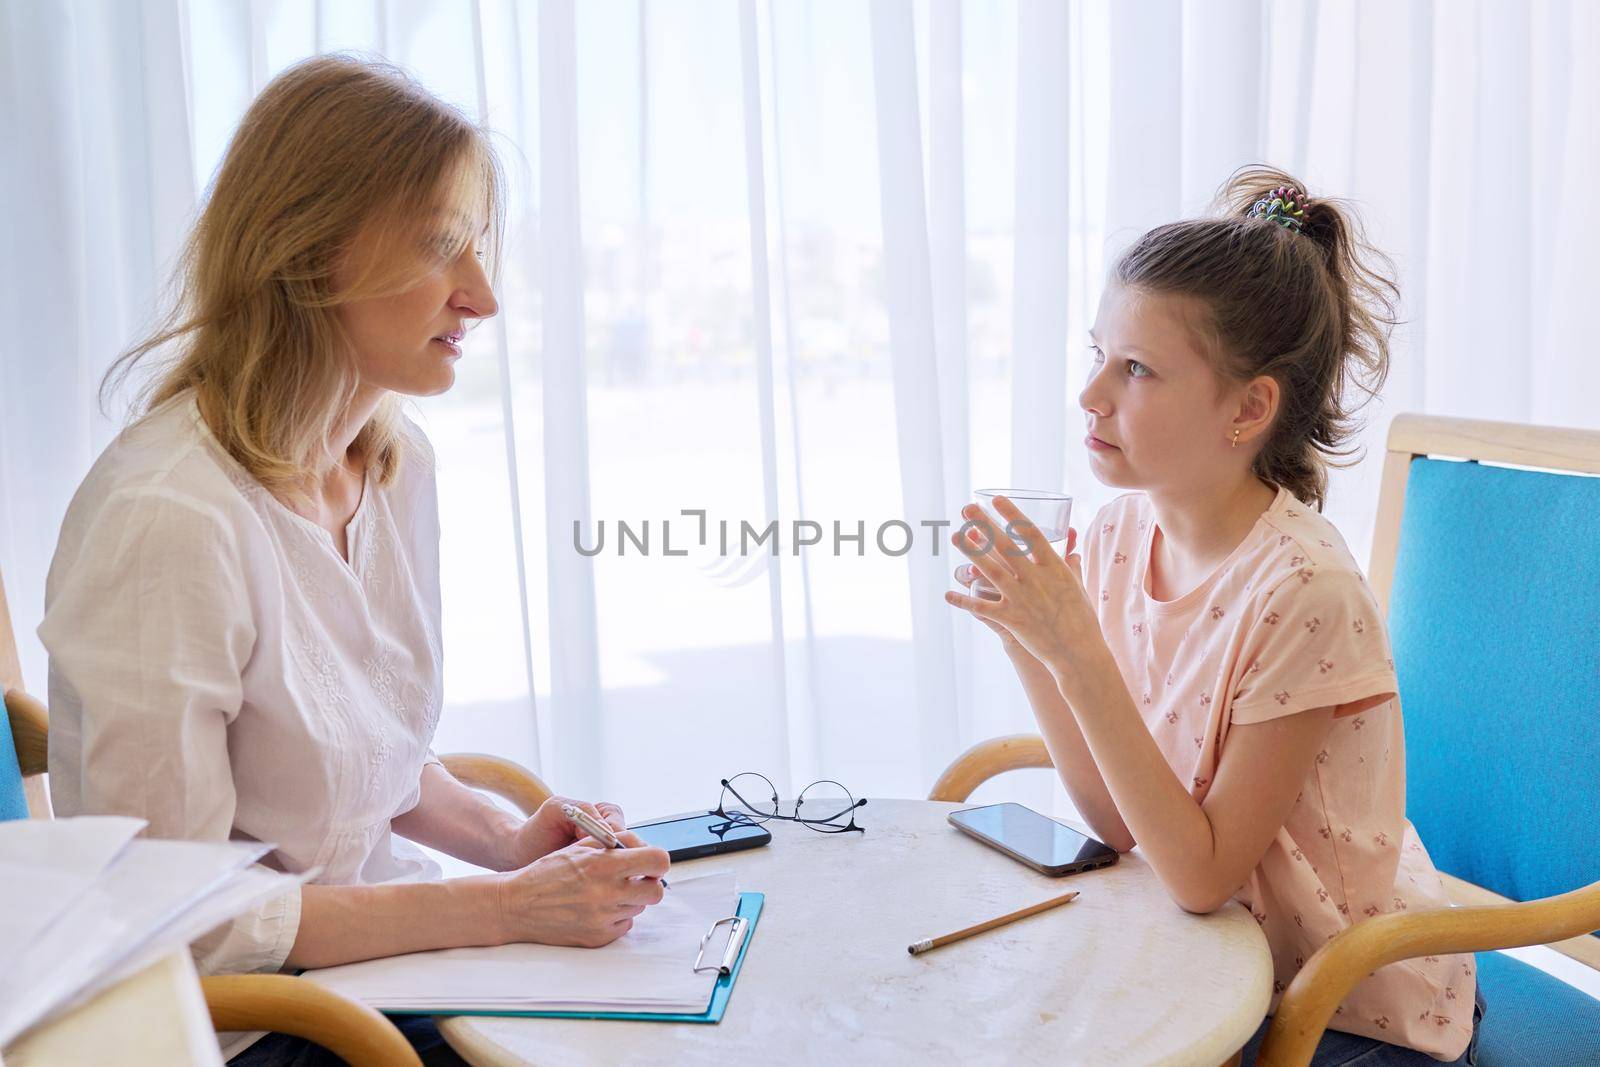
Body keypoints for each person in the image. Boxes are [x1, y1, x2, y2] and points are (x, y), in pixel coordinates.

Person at [39, 54, 669, 1066]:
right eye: (441, 248)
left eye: (478, 249)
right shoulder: (171, 520)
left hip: (374, 983)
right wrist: (501, 906)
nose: (481, 297)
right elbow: (183, 921)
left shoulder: (391, 463)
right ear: (307, 252)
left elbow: (356, 756)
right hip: (250, 1027)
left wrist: (507, 844)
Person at [945, 168, 1484, 1065]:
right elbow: (1120, 827)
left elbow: (1199, 875)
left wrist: (1075, 648)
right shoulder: (1120, 537)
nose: (1090, 396)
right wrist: (1034, 644)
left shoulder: (1305, 590)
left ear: (1248, 408)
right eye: (1097, 355)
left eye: (1137, 369)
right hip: (1206, 967)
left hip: (1340, 1000)